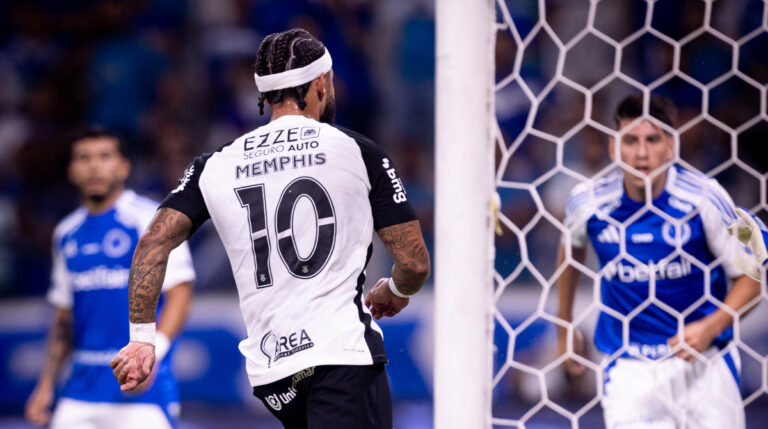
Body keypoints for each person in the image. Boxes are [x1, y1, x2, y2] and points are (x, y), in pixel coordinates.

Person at [110, 28, 430, 429]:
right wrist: (396, 289)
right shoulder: (357, 151)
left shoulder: (214, 165)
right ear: (321, 83)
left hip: (273, 373)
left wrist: (142, 338)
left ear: (264, 96)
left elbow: (153, 243)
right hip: (340, 355)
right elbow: (415, 263)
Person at [556, 94, 759, 428]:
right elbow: (570, 246)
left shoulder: (705, 198)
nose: (641, 153)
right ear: (613, 148)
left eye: (652, 140)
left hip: (705, 363)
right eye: (630, 141)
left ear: (670, 147)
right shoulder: (587, 202)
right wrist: (563, 323)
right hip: (630, 368)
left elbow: (752, 278)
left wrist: (712, 326)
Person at [25, 128, 195, 429]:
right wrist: (46, 384)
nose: (94, 166)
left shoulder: (151, 220)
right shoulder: (66, 233)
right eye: (84, 157)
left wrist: (153, 355)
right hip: (80, 391)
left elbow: (180, 294)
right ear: (71, 171)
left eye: (104, 156)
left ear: (124, 167)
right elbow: (64, 318)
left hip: (143, 392)